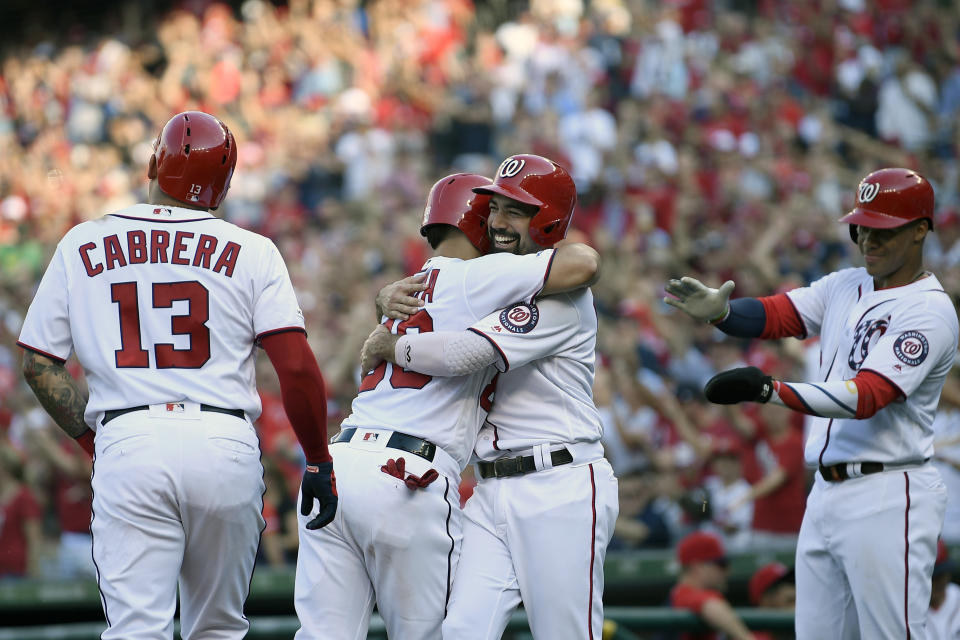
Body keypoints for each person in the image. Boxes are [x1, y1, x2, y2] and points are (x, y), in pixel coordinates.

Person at [16, 111, 337, 639]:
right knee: (216, 629)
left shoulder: (83, 241)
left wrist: (92, 440)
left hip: (129, 436)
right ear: (223, 188)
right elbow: (296, 368)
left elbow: (36, 361)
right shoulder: (253, 249)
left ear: (151, 164)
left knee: (137, 630)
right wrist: (318, 459)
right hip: (223, 440)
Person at [295, 169, 601, 640]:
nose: (499, 221)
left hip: (550, 480)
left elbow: (578, 267)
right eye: (493, 208)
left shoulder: (424, 286)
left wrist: (388, 341)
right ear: (475, 222)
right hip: (426, 477)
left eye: (513, 210)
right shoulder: (486, 278)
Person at [664, 167, 957, 639]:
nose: (868, 238)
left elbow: (868, 396)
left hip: (888, 489)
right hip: (823, 494)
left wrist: (770, 391)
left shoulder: (929, 310)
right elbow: (778, 314)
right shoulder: (847, 284)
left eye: (884, 228)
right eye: (861, 226)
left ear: (921, 228)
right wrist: (720, 313)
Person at [670, 531, 755, 640]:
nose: (728, 571)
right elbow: (710, 605)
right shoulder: (682, 594)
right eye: (721, 565)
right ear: (698, 567)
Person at [748, 562, 796, 640]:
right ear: (765, 600)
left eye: (792, 582)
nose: (792, 588)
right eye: (791, 601)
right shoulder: (749, 637)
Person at [928, 539, 960, 640]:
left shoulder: (957, 597)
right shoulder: (910, 610)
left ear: (948, 575)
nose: (936, 583)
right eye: (931, 577)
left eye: (940, 575)